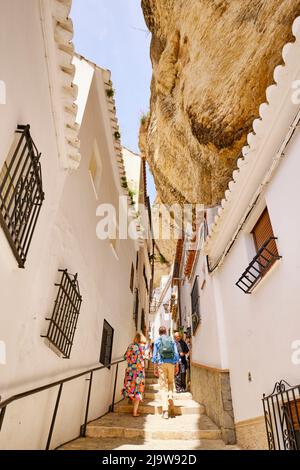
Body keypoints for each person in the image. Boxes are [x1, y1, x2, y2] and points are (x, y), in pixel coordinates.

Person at [152, 326, 180, 419]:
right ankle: (170, 395)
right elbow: (176, 354)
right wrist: (177, 365)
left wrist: (155, 368)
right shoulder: (171, 341)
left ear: (159, 333)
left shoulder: (157, 341)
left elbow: (154, 356)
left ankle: (165, 411)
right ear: (166, 332)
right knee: (171, 382)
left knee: (163, 387)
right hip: (171, 363)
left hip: (161, 364)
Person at [122, 332, 147, 417]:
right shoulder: (143, 347)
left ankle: (130, 397)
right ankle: (135, 412)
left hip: (130, 371)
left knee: (130, 386)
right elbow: (146, 356)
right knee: (138, 389)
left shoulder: (130, 346)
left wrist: (131, 361)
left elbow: (125, 357)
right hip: (139, 371)